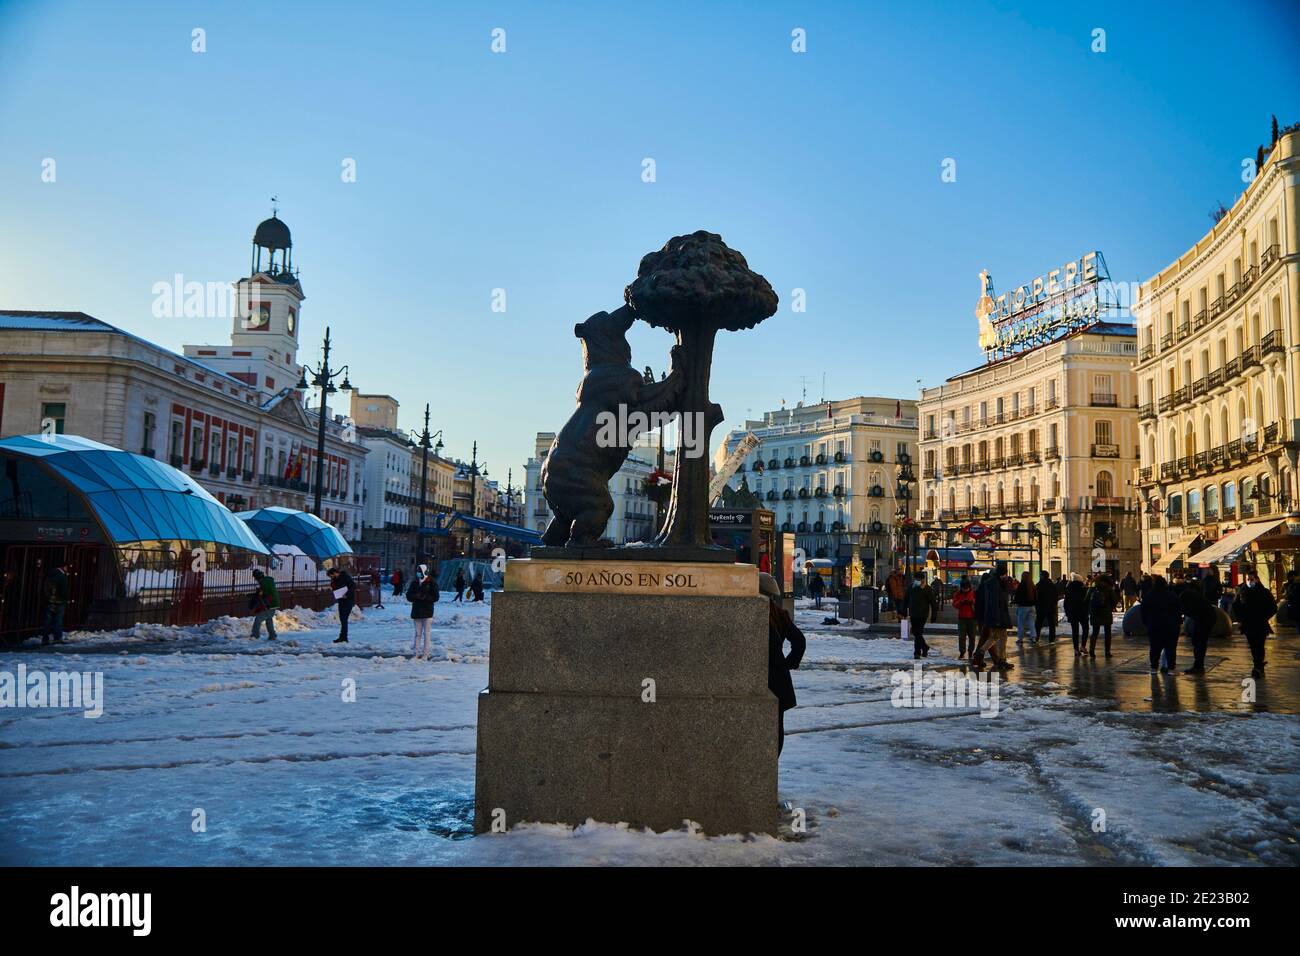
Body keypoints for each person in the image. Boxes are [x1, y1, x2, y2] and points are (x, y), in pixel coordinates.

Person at [760, 572, 805, 756]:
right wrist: (788, 664)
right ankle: (771, 762)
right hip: (778, 681)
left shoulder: (753, 614)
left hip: (763, 678)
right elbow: (799, 641)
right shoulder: (779, 614)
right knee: (776, 728)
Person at [1233, 568, 1277, 679]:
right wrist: (1241, 619)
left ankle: (1258, 666)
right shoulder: (1242, 591)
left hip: (1261, 623)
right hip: (1248, 624)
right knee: (1253, 646)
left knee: (1260, 645)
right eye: (1248, 579)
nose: (1249, 581)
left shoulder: (1264, 592)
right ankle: (1257, 665)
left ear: (1256, 580)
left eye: (1251, 579)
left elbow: (1273, 607)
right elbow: (1235, 606)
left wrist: (1264, 617)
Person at [972, 562, 1013, 671]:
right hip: (997, 616)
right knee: (1000, 637)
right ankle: (999, 659)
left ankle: (984, 653)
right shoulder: (994, 584)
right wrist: (997, 618)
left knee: (996, 637)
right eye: (1005, 573)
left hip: (997, 615)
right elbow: (994, 602)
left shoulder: (997, 582)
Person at [1140, 576, 1182, 674]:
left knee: (1154, 648)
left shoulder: (1148, 596)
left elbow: (1143, 611)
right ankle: (1171, 668)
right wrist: (1177, 622)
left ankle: (1154, 668)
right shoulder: (1171, 595)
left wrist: (1147, 623)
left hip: (1154, 625)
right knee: (1170, 648)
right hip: (1170, 626)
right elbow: (1179, 609)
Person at [1179, 576, 1217, 674]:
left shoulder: (1186, 595)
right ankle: (1199, 665)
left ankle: (1198, 666)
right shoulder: (1195, 594)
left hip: (1203, 619)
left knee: (1198, 642)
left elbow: (1182, 609)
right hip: (1207, 617)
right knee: (1200, 642)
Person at [407, 564, 438, 659]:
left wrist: (426, 597)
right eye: (417, 571)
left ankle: (425, 653)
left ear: (425, 572)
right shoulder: (414, 583)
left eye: (420, 571)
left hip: (427, 611)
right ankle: (415, 653)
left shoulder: (431, 582)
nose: (418, 573)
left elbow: (436, 597)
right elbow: (408, 595)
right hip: (416, 611)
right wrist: (416, 596)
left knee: (426, 633)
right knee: (417, 633)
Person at [906, 570, 938, 659]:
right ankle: (924, 647)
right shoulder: (911, 587)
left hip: (923, 614)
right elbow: (906, 599)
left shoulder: (927, 588)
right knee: (916, 632)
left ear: (923, 579)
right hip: (913, 613)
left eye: (919, 578)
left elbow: (933, 602)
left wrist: (934, 615)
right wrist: (903, 611)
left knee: (918, 632)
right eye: (916, 578)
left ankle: (917, 652)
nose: (917, 580)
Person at [39, 558, 70, 646]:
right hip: (59, 601)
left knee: (47, 620)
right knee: (58, 620)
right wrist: (66, 598)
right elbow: (64, 590)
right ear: (64, 566)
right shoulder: (62, 576)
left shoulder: (49, 574)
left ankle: (45, 638)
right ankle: (57, 638)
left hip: (48, 600)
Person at [1086, 573, 1118, 657]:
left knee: (1095, 632)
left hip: (1095, 612)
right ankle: (1107, 652)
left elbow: (1086, 599)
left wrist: (1090, 609)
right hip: (1106, 612)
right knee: (1107, 633)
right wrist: (1111, 607)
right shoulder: (1109, 588)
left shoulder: (1092, 588)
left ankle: (1091, 651)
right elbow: (1114, 600)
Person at [326, 566, 357, 643]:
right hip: (341, 600)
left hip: (348, 600)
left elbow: (353, 586)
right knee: (342, 619)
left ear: (335, 573)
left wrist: (347, 594)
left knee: (344, 619)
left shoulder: (345, 577)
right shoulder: (334, 580)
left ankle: (344, 637)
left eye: (331, 576)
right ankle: (343, 637)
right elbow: (334, 588)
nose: (331, 577)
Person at [1063, 573, 1090, 655]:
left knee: (1075, 631)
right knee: (1085, 629)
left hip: (1072, 612)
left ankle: (1076, 649)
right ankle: (1083, 646)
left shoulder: (1068, 589)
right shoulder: (1084, 589)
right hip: (1082, 612)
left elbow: (1066, 602)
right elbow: (1087, 601)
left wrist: (1067, 612)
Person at [249, 568, 280, 641]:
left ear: (258, 577)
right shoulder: (268, 581)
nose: (257, 581)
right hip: (274, 603)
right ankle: (272, 635)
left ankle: (255, 635)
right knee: (268, 619)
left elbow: (262, 595)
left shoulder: (264, 583)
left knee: (258, 619)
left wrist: (256, 596)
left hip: (270, 603)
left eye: (256, 579)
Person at [951, 576, 978, 659]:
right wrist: (961, 602)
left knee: (972, 636)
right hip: (962, 617)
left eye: (967, 588)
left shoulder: (974, 593)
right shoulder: (957, 594)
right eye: (963, 588)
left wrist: (972, 601)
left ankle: (970, 652)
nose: (965, 590)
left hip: (972, 618)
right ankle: (962, 652)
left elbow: (978, 603)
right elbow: (954, 604)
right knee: (961, 637)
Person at [1012, 571, 1036, 646]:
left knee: (1021, 623)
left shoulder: (1021, 585)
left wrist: (1015, 602)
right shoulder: (1032, 585)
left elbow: (1017, 596)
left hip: (1022, 607)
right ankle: (1033, 637)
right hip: (1032, 607)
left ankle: (1020, 638)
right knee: (1031, 623)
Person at [1034, 572, 1058, 645]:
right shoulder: (1052, 585)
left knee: (1038, 623)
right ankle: (1052, 639)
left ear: (1042, 576)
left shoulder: (1038, 585)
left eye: (1040, 575)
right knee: (1051, 624)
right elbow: (1056, 596)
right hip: (1050, 607)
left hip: (1041, 607)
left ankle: (1036, 637)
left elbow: (1036, 596)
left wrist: (1037, 605)